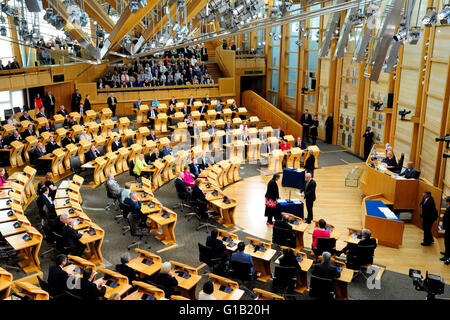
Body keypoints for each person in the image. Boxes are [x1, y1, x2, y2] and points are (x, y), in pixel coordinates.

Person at [442, 197, 450, 264]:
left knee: (447, 242)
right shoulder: (448, 208)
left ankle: (446, 256)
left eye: (445, 201)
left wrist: (444, 226)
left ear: (448, 202)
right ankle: (446, 252)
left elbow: (447, 219)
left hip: (448, 228)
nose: (444, 202)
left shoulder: (449, 209)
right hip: (447, 227)